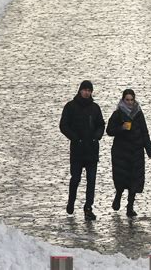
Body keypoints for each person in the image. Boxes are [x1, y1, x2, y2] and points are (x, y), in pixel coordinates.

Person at [60, 80, 105, 221]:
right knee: (76, 179)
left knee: (91, 181)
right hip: (77, 150)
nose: (87, 92)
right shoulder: (70, 106)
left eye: (89, 90)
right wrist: (75, 138)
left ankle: (88, 208)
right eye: (85, 90)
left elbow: (101, 124)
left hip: (91, 150)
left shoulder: (95, 108)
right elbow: (63, 125)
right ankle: (71, 201)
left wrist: (96, 137)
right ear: (80, 90)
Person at [106, 89, 151, 217]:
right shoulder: (117, 114)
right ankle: (118, 195)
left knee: (134, 179)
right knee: (121, 177)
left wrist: (149, 149)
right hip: (121, 151)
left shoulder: (139, 114)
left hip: (136, 151)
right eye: (127, 100)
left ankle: (130, 206)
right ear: (123, 100)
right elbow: (109, 130)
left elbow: (144, 132)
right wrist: (121, 128)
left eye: (131, 100)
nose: (129, 102)